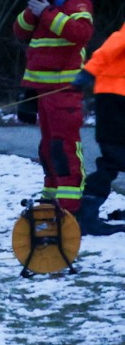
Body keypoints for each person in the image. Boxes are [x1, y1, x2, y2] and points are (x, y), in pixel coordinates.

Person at [12, 0, 92, 213]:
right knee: (47, 147)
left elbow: (80, 34)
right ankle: (51, 196)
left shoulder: (76, 1)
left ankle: (71, 205)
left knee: (64, 146)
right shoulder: (43, 1)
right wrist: (33, 9)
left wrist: (46, 12)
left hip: (64, 89)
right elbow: (20, 32)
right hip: (41, 90)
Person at [70, 22, 125, 235]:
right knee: (113, 159)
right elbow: (110, 48)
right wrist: (88, 73)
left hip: (114, 98)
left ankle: (87, 212)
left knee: (112, 159)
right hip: (115, 99)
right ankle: (87, 215)